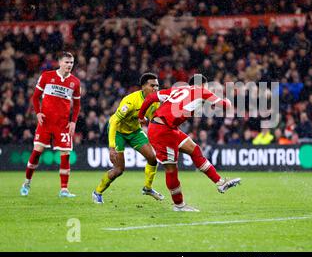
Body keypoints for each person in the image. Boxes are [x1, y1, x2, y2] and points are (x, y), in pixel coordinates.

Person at [138, 74, 241, 212]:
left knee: (194, 149)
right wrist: (228, 99)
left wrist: (141, 117)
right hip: (162, 131)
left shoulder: (178, 90)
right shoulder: (201, 90)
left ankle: (220, 183)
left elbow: (151, 98)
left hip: (168, 128)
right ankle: (179, 205)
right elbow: (224, 105)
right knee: (171, 169)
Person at [92, 73, 164, 204]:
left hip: (135, 131)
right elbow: (114, 121)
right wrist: (112, 147)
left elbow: (154, 119)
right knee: (119, 170)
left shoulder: (155, 101)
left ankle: (148, 188)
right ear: (143, 87)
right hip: (119, 131)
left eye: (157, 85)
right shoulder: (130, 101)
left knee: (153, 159)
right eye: (152, 85)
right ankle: (97, 192)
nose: (155, 88)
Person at [20, 52, 81, 197]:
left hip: (63, 124)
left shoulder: (75, 82)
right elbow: (35, 97)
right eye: (66, 62)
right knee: (37, 152)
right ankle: (26, 183)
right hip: (46, 123)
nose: (69, 65)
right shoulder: (46, 76)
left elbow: (77, 105)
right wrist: (38, 113)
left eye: (71, 63)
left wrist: (73, 122)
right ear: (59, 62)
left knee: (65, 154)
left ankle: (64, 190)